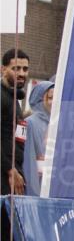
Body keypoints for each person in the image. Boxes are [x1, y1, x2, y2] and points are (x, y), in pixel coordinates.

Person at [1, 47, 30, 195]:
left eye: (25, 69)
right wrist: (10, 170)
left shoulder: (14, 98)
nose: (22, 73)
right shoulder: (2, 97)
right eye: (16, 68)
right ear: (3, 69)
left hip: (13, 174)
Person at [23, 81, 54, 196]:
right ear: (39, 99)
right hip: (36, 188)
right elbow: (28, 161)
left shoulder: (57, 123)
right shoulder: (29, 123)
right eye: (50, 98)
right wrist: (33, 193)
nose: (54, 102)